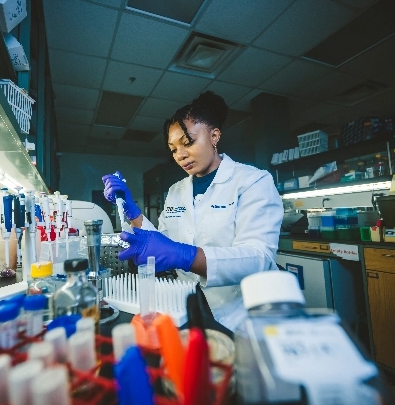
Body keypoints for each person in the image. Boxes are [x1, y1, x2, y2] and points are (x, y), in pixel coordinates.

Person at [102, 91, 283, 334]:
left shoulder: (253, 181)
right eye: (173, 149)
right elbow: (162, 243)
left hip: (241, 311)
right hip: (187, 305)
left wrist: (186, 255)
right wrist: (131, 210)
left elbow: (258, 258)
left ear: (214, 136)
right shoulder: (176, 190)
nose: (180, 155)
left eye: (187, 143)